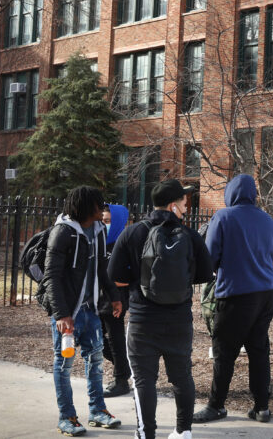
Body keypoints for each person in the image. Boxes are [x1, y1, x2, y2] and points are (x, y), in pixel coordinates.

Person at [108, 179, 214, 439]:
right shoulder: (189, 236)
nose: (187, 205)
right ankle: (183, 432)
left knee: (144, 381)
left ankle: (147, 434)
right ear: (172, 205)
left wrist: (138, 281)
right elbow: (203, 275)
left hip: (143, 320)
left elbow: (115, 277)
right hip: (179, 320)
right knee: (182, 378)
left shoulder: (132, 234)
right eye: (184, 201)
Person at [194, 174, 273, 424]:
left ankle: (216, 405)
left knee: (224, 351)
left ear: (230, 193)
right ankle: (262, 407)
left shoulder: (223, 217)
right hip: (265, 293)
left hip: (235, 293)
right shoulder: (268, 220)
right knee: (259, 349)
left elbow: (210, 258)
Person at [36, 186, 122, 436]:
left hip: (91, 311)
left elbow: (101, 268)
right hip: (68, 315)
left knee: (95, 362)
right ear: (86, 207)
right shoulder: (63, 233)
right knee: (63, 365)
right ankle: (67, 417)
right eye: (99, 204)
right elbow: (51, 276)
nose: (103, 208)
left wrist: (114, 297)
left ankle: (97, 411)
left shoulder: (97, 232)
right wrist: (62, 314)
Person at [99, 204, 132, 398]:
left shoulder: (124, 242)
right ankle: (126, 370)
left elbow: (127, 274)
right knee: (98, 338)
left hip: (116, 297)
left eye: (108, 221)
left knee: (115, 338)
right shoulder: (99, 240)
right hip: (97, 296)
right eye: (103, 221)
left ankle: (122, 379)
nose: (105, 225)